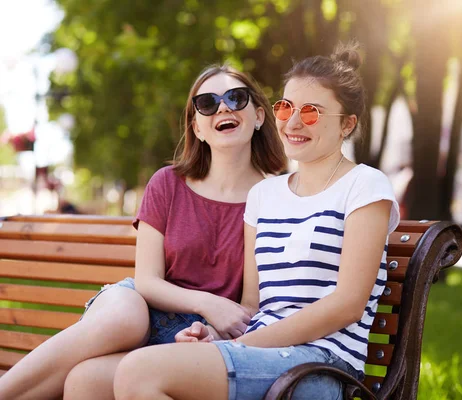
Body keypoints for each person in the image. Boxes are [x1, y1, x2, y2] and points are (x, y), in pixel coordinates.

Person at [112, 42, 400, 400]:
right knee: (104, 376)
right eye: (286, 107)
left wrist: (243, 345)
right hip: (257, 352)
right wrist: (215, 338)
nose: (293, 122)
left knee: (138, 373)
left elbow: (347, 304)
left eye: (312, 113)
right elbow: (253, 306)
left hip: (323, 359)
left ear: (347, 124)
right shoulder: (264, 195)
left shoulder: (365, 185)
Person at [0, 65, 286, 400]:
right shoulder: (167, 184)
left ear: (259, 116)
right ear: (198, 127)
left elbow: (255, 305)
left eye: (236, 98)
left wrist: (209, 327)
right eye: (207, 103)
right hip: (142, 309)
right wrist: (207, 302)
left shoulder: (277, 199)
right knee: (126, 315)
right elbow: (147, 281)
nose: (223, 107)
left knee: (85, 380)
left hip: (203, 340)